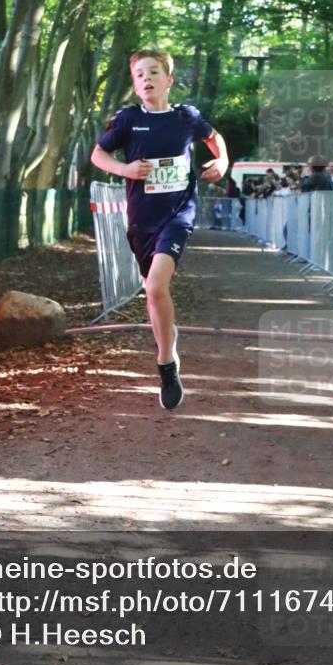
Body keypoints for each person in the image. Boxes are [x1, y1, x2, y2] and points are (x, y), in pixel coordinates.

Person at [91, 49, 229, 410]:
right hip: (142, 220)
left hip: (178, 214)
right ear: (135, 85)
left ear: (169, 80)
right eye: (139, 74)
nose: (146, 78)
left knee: (156, 286)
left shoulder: (186, 117)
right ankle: (168, 343)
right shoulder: (127, 120)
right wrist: (125, 170)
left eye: (154, 72)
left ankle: (167, 363)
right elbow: (97, 156)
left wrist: (223, 162)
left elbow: (215, 139)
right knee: (153, 295)